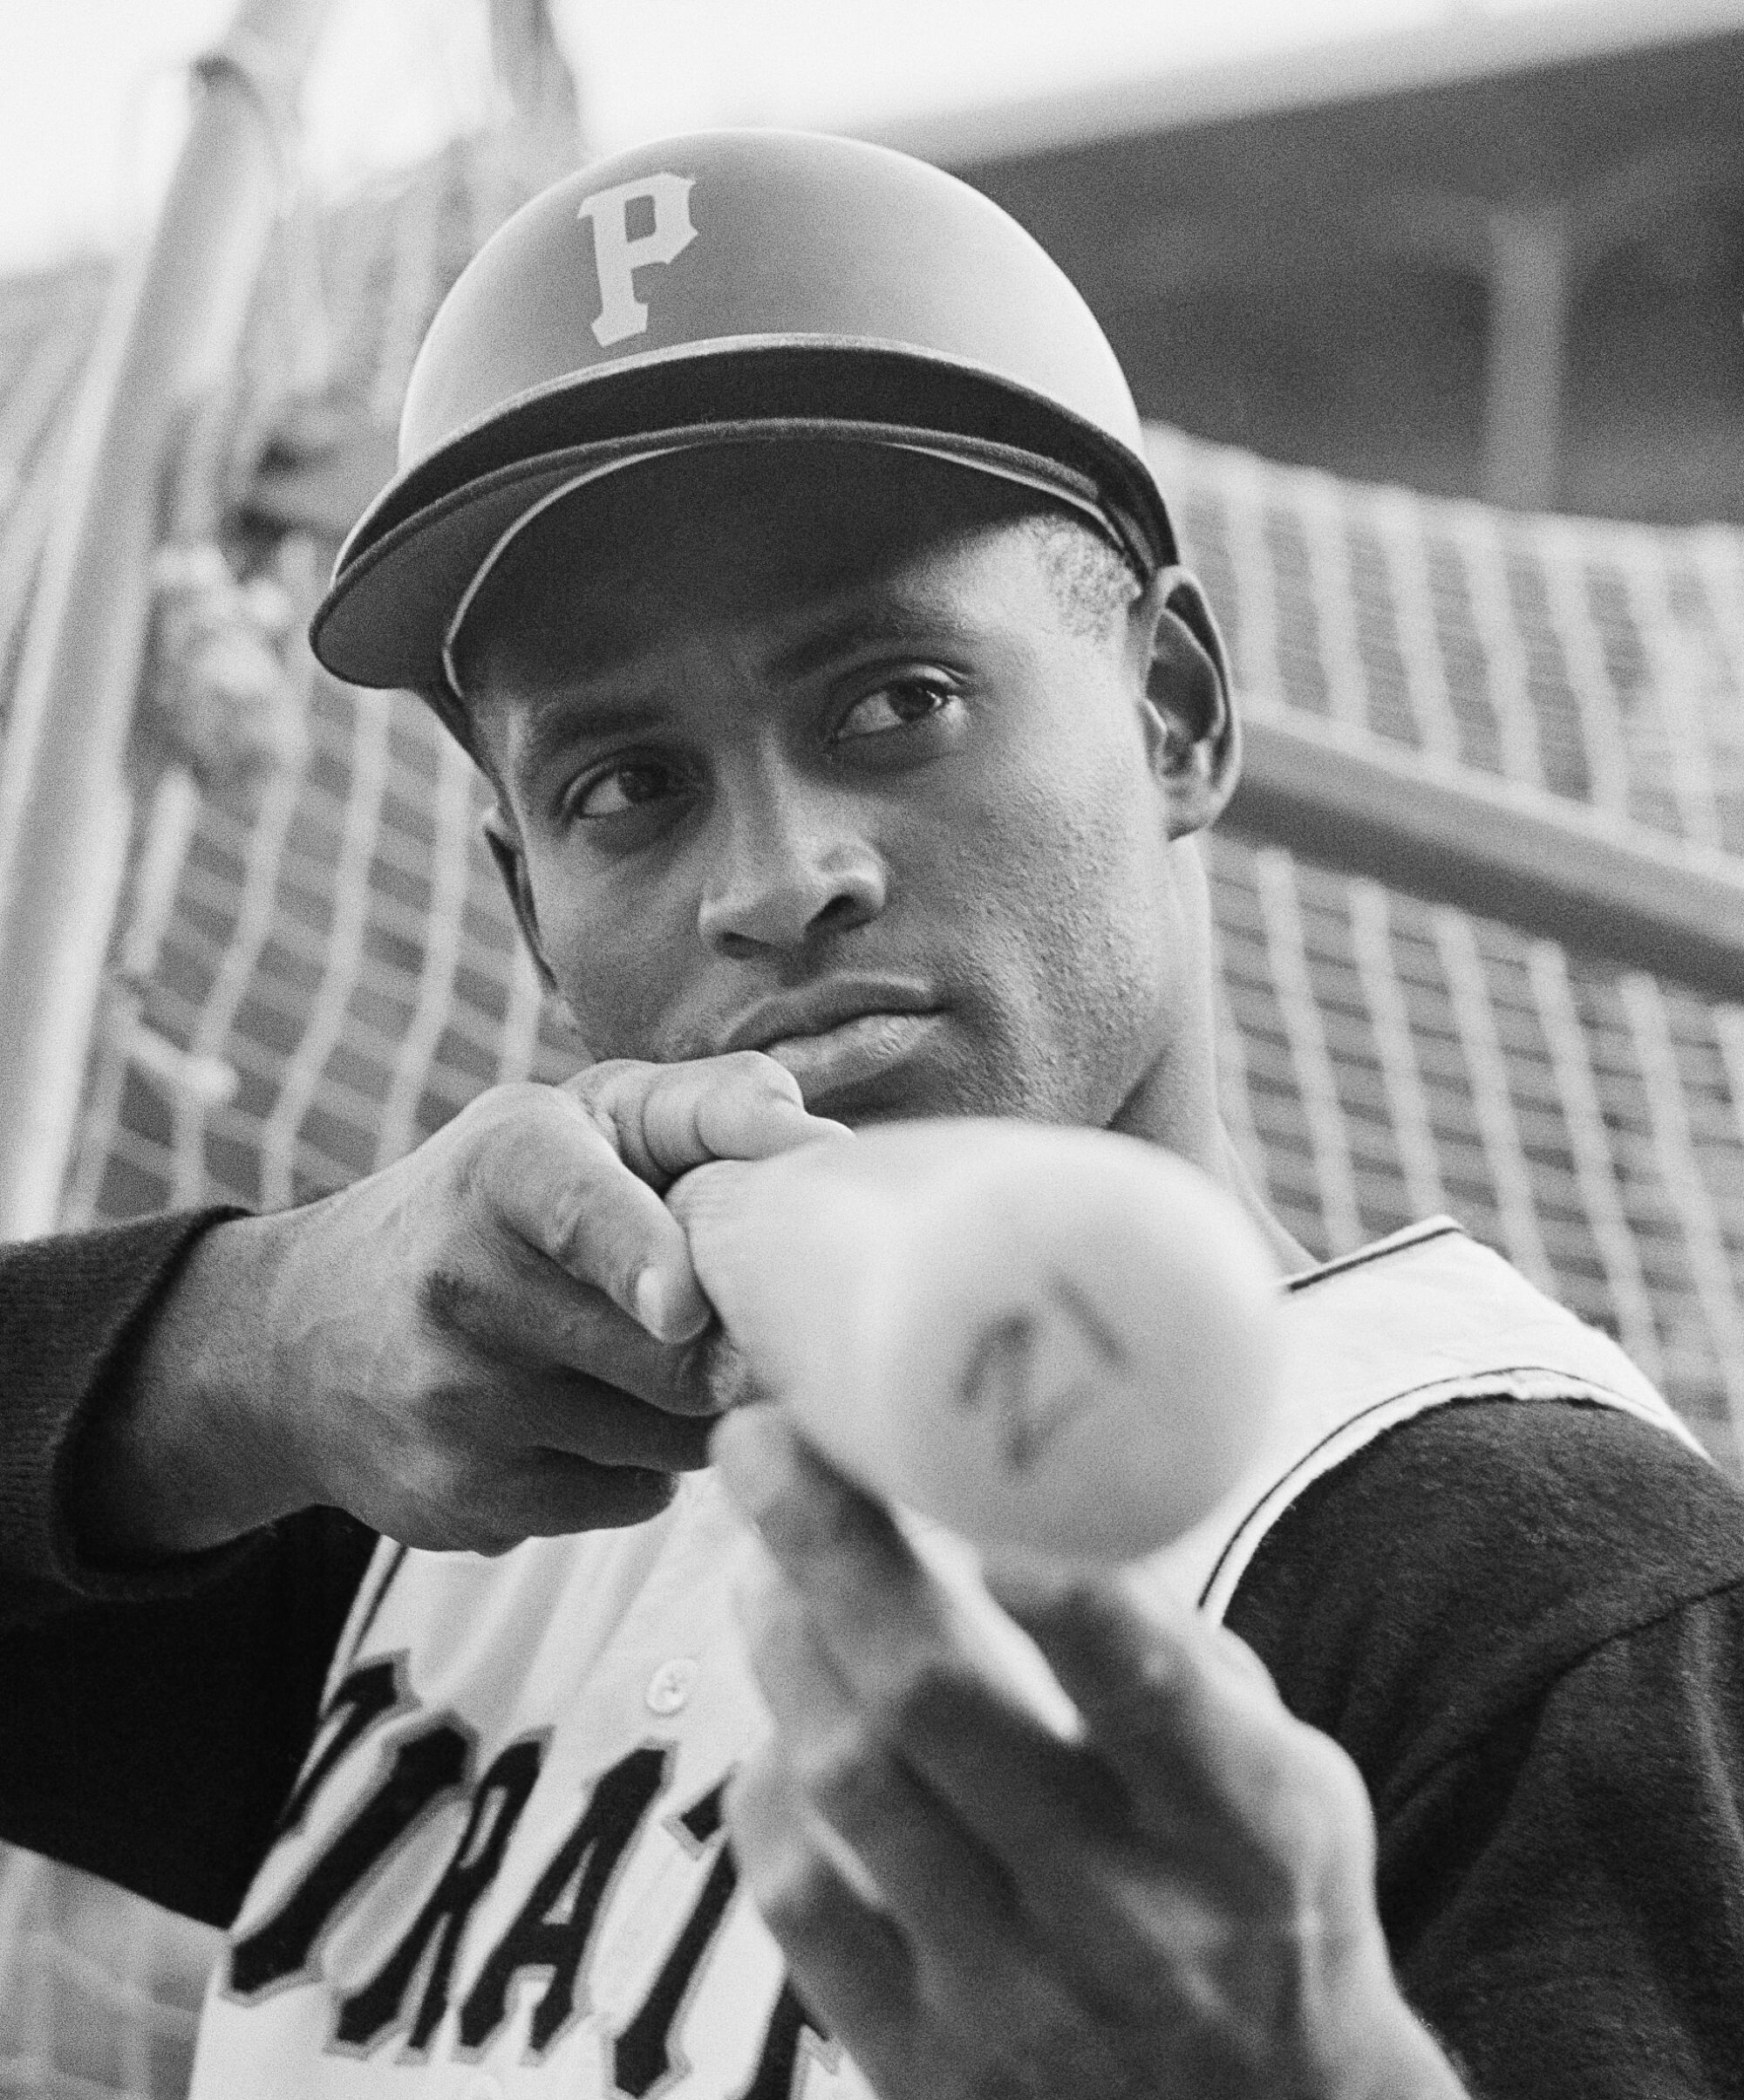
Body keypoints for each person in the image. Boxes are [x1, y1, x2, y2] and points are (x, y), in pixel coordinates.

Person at [3, 129, 1743, 2099]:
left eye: (894, 698)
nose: (776, 872)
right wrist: (241, 1341)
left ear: (1172, 708)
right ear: (524, 908)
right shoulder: (466, 1480)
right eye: (624, 789)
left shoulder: (1528, 1571)